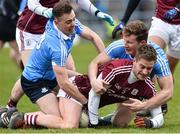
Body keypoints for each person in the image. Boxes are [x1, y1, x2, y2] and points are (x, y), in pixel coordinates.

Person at [0, 0, 105, 128]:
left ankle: (39, 115)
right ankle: (18, 117)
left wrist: (105, 62)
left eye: (73, 20)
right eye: (68, 22)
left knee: (84, 82)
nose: (73, 24)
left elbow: (93, 36)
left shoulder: (66, 23)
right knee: (63, 120)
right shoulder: (56, 46)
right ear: (56, 22)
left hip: (50, 75)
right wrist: (86, 103)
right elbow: (64, 84)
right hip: (35, 82)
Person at [7, 45, 164, 129]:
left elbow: (158, 115)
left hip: (87, 103)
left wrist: (151, 122)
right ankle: (24, 117)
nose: (145, 72)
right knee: (70, 125)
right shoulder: (117, 69)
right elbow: (95, 94)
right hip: (77, 91)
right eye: (142, 66)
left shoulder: (147, 85)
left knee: (120, 124)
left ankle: (36, 122)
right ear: (134, 61)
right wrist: (93, 123)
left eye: (149, 69)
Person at [88, 20, 173, 114]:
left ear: (143, 43)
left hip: (141, 86)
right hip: (123, 83)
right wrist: (94, 81)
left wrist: (145, 104)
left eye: (129, 42)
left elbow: (168, 91)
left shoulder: (157, 58)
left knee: (120, 122)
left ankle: (154, 104)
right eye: (125, 40)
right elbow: (94, 63)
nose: (125, 45)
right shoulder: (119, 46)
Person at [111, 0, 179, 116]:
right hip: (161, 21)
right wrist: (124, 20)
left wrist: (177, 9)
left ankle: (161, 101)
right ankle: (147, 103)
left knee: (168, 69)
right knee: (147, 59)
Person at [0, 0, 23, 70]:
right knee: (21, 54)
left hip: (6, 26)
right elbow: (16, 13)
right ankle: (27, 76)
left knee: (17, 54)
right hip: (8, 27)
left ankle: (26, 76)